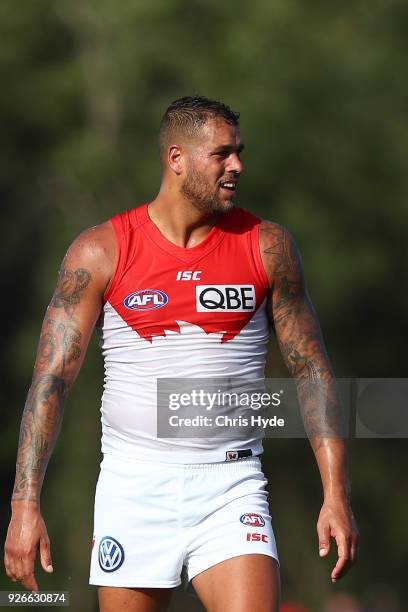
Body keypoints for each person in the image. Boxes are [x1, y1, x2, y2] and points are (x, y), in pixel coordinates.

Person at [4, 96, 359, 612]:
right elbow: (50, 382)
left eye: (239, 152)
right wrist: (24, 504)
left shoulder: (268, 246)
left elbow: (312, 371)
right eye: (221, 154)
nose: (237, 165)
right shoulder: (101, 250)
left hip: (232, 485)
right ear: (177, 158)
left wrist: (336, 492)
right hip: (134, 484)